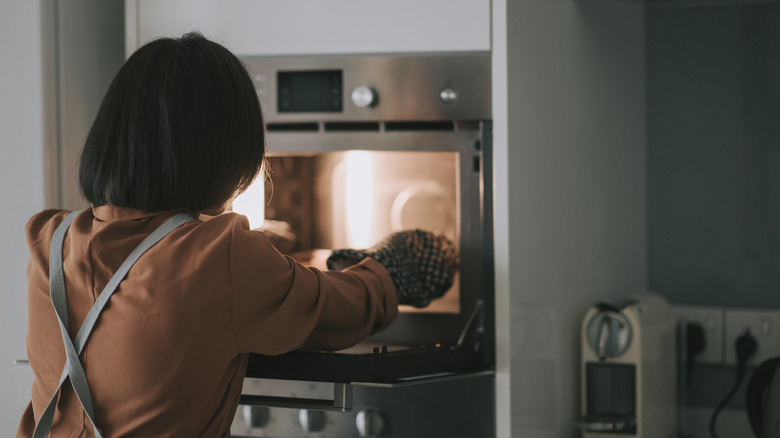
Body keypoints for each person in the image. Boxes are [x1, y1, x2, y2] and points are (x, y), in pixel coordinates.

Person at [18, 33, 457, 437]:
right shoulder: (220, 256)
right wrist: (391, 269)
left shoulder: (50, 241)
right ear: (222, 151)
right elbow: (340, 311)